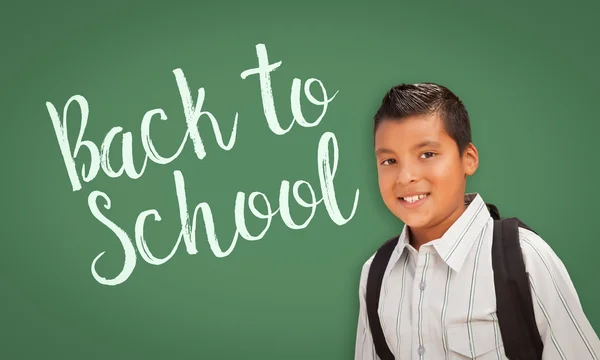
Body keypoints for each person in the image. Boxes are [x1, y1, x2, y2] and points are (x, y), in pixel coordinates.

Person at [354, 83, 600, 359]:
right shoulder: (376, 273)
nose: (405, 176)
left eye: (427, 154)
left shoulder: (525, 258)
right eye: (389, 161)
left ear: (468, 159)